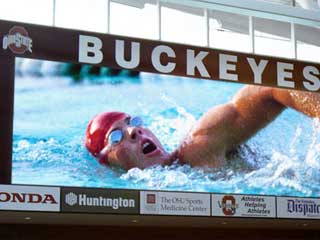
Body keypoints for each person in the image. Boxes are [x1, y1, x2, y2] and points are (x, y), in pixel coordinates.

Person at [85, 85, 320, 170]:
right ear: (106, 162)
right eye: (115, 136)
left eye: (133, 122)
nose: (133, 131)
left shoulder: (201, 144)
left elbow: (271, 86)